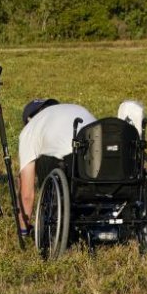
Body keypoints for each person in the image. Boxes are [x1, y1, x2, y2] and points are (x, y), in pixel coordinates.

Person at [17, 99, 95, 235]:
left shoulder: (30, 130)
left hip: (71, 160)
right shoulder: (76, 108)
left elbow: (27, 195)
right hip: (99, 153)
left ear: (28, 119)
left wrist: (24, 228)